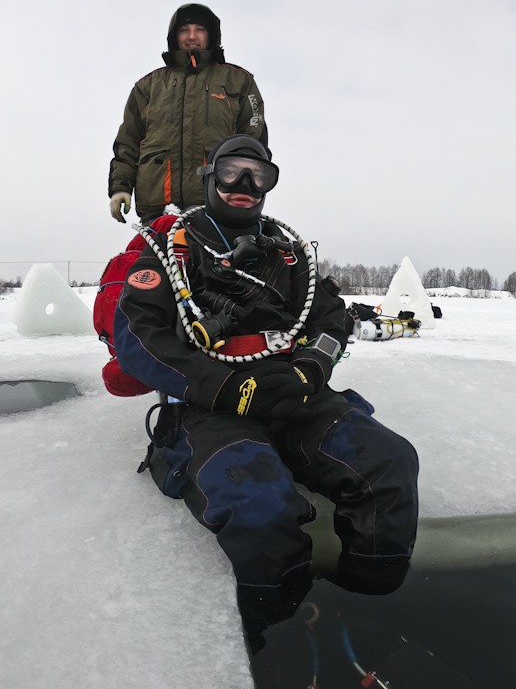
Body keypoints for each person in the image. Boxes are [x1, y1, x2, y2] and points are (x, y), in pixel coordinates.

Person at [113, 134, 419, 605]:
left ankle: (367, 600)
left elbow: (331, 320)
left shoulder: (291, 255)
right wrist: (227, 388)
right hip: (211, 405)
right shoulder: (170, 247)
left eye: (259, 175)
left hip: (294, 395)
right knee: (259, 503)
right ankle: (280, 626)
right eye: (233, 170)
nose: (245, 183)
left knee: (391, 465)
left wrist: (311, 370)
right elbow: (136, 335)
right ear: (210, 174)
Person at [108, 3, 267, 225]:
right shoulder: (147, 87)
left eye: (199, 29)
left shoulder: (239, 82)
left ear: (211, 35)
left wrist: (250, 189)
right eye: (184, 30)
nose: (192, 36)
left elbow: (254, 143)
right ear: (174, 36)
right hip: (157, 207)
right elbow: (127, 143)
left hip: (217, 203)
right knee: (150, 260)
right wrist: (120, 188)